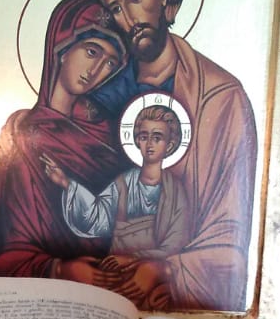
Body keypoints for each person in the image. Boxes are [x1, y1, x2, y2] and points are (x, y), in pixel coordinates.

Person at [93, 0, 258, 313]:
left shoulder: (220, 97)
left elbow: (229, 238)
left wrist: (165, 271)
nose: (129, 18)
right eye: (116, 8)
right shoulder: (101, 99)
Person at [0, 0, 129, 283]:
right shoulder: (20, 134)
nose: (96, 70)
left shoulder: (111, 135)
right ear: (63, 47)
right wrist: (60, 269)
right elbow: (7, 251)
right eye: (92, 52)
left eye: (109, 63)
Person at [41, 104, 192, 290]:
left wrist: (132, 258)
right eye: (144, 136)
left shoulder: (176, 191)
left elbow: (175, 246)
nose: (149, 144)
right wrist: (66, 183)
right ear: (137, 141)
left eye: (157, 137)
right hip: (115, 272)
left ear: (169, 145)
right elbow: (97, 217)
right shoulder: (123, 183)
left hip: (151, 276)